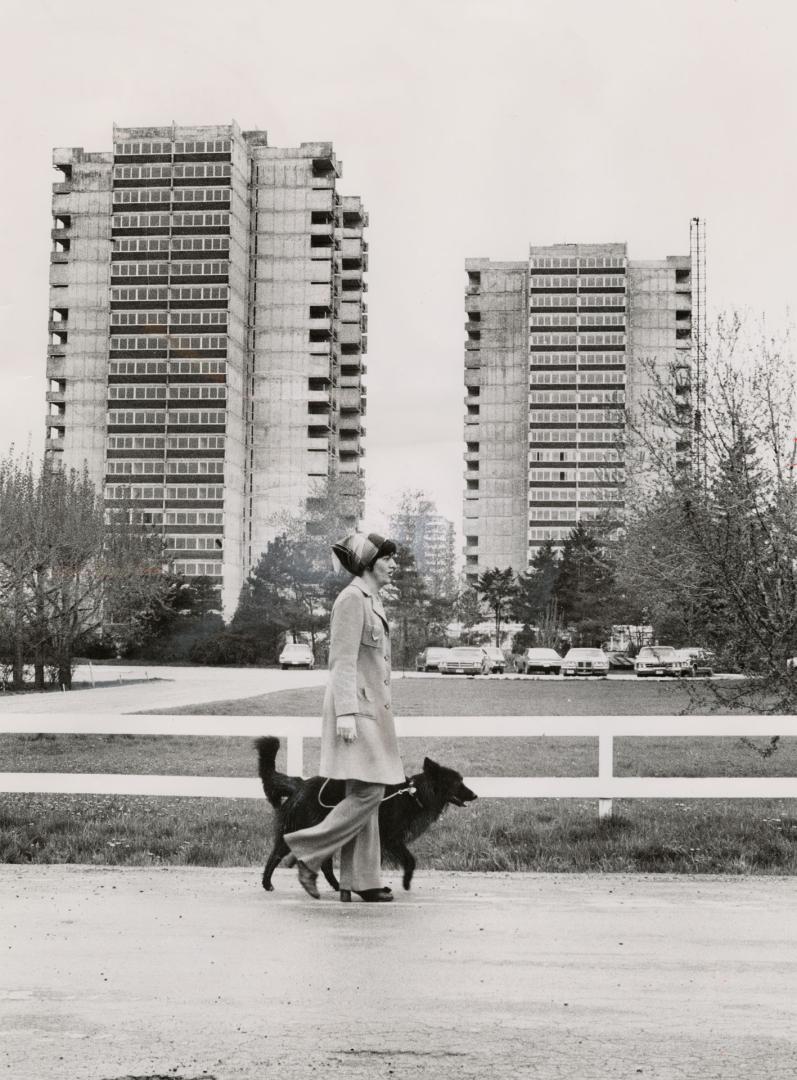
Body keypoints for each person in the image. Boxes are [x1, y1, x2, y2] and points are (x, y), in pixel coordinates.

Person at [284, 532, 404, 903]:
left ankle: (361, 880)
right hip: (355, 711)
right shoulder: (352, 600)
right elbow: (342, 661)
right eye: (387, 559)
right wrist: (347, 714)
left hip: (371, 709)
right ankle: (306, 854)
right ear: (369, 563)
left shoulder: (372, 599)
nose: (393, 565)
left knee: (363, 789)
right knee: (371, 790)